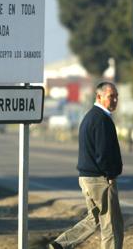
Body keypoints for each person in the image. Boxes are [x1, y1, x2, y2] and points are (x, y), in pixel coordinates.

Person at [50, 82, 124, 249]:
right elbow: (103, 153)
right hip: (100, 180)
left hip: (87, 178)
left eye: (116, 97)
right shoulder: (101, 119)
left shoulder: (91, 116)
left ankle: (60, 244)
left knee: (94, 219)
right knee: (112, 226)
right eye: (111, 96)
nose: (115, 100)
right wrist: (111, 175)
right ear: (99, 97)